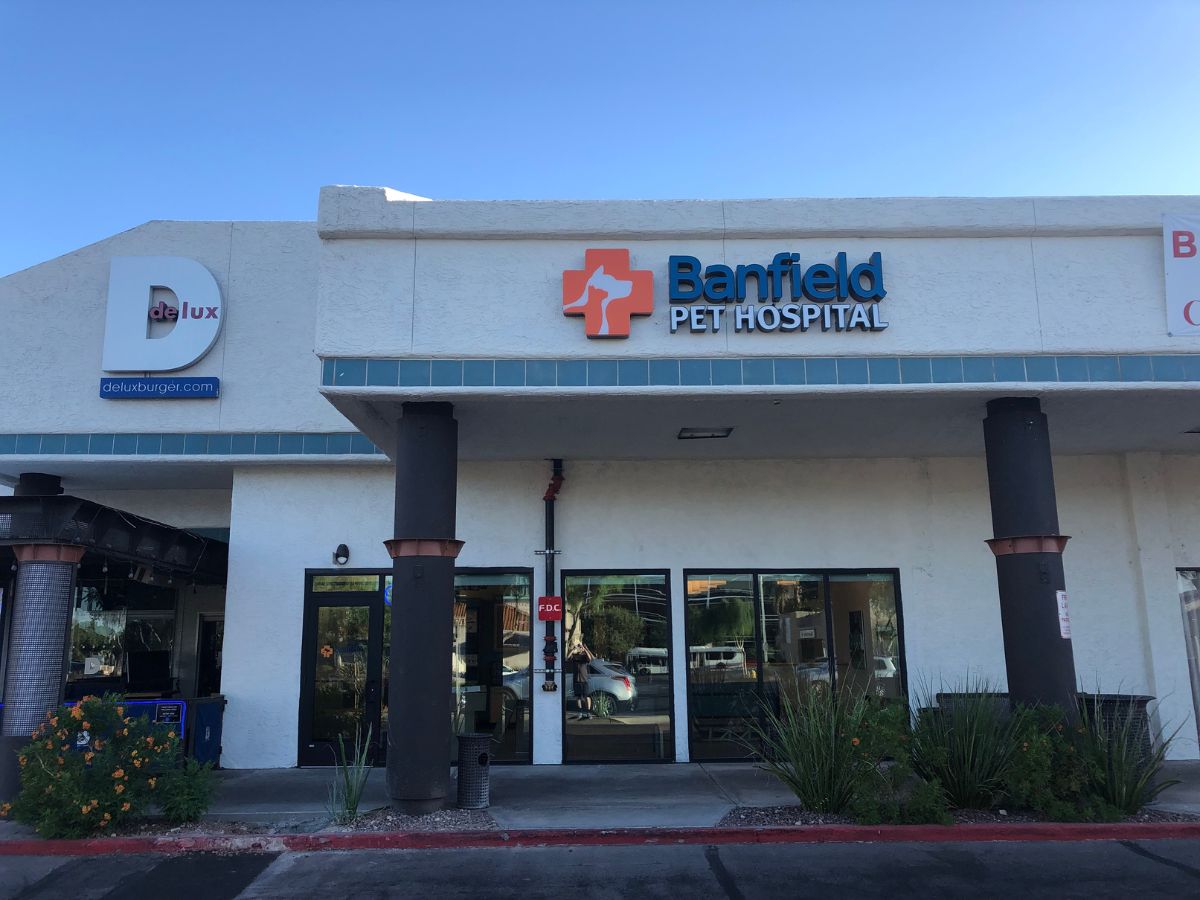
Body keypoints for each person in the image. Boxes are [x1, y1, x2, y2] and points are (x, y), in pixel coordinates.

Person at [567, 641, 594, 720]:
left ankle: (588, 712)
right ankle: (580, 712)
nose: (579, 648)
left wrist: (585, 649)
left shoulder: (584, 656)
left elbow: (590, 658)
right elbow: (567, 658)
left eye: (580, 647)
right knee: (578, 697)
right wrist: (573, 649)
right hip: (576, 679)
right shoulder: (575, 656)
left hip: (584, 680)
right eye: (579, 646)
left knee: (586, 696)